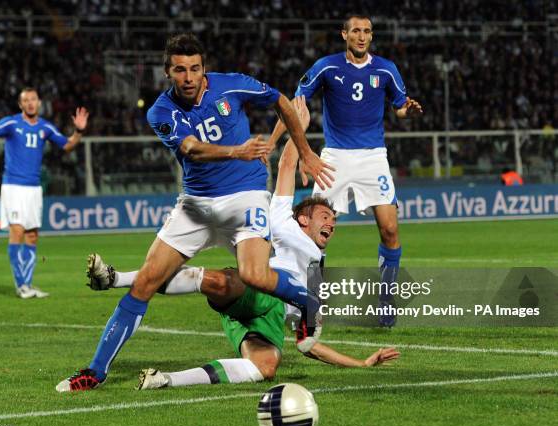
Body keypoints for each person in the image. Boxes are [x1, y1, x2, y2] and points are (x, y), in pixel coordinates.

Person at [56, 34, 333, 392]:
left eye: (195, 69)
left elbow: (281, 101)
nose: (188, 77)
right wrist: (237, 151)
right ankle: (94, 372)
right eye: (180, 70)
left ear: (205, 69)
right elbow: (191, 148)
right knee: (144, 286)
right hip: (196, 205)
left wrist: (304, 149)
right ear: (167, 72)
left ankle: (309, 302)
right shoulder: (161, 111)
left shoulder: (232, 85)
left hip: (244, 196)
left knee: (255, 276)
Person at [83, 97, 399, 390]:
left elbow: (309, 344)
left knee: (266, 367)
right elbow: (287, 165)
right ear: (303, 218)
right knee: (224, 281)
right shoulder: (281, 218)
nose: (332, 221)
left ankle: (164, 380)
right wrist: (297, 127)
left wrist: (361, 362)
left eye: (334, 219)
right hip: (258, 288)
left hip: (270, 319)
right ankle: (116, 279)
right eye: (325, 215)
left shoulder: (318, 272)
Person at [270, 15, 423, 327]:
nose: (362, 36)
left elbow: (399, 108)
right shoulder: (326, 67)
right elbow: (294, 106)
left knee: (390, 229)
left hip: (373, 157)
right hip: (334, 157)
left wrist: (409, 110)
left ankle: (386, 301)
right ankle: (307, 302)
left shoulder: (386, 69)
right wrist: (279, 144)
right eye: (356, 31)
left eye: (367, 31)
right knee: (312, 233)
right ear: (344, 34)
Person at [0, 89, 88, 298]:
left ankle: (28, 285)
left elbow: (67, 145)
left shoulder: (45, 127)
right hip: (13, 187)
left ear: (39, 102)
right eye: (26, 100)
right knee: (17, 231)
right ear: (20, 104)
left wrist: (78, 131)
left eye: (33, 99)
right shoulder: (11, 124)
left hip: (34, 188)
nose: (30, 103)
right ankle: (21, 285)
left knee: (32, 235)